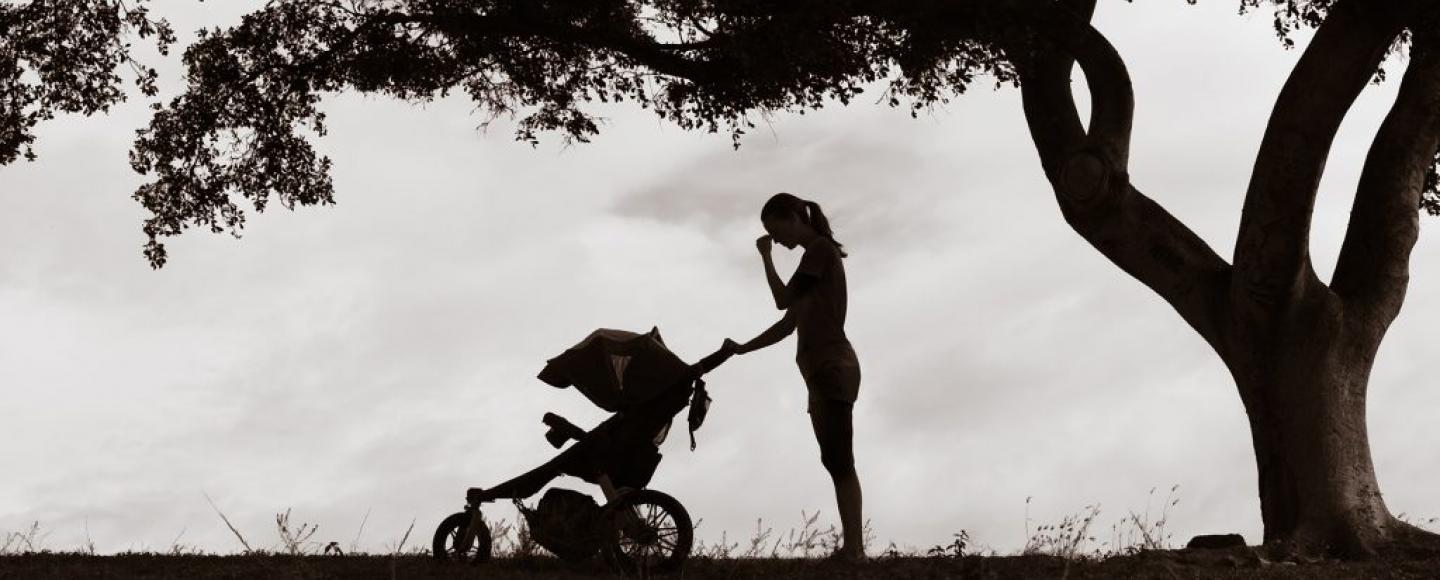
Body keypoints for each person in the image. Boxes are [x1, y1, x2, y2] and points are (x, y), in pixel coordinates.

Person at [722, 192, 865, 561]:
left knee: (840, 460)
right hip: (819, 371)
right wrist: (742, 348)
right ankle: (852, 548)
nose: (777, 240)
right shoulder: (811, 264)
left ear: (792, 217)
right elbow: (788, 324)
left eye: (776, 230)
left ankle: (855, 550)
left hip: (834, 367)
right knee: (833, 460)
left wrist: (765, 258)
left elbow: (782, 299)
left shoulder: (818, 251)